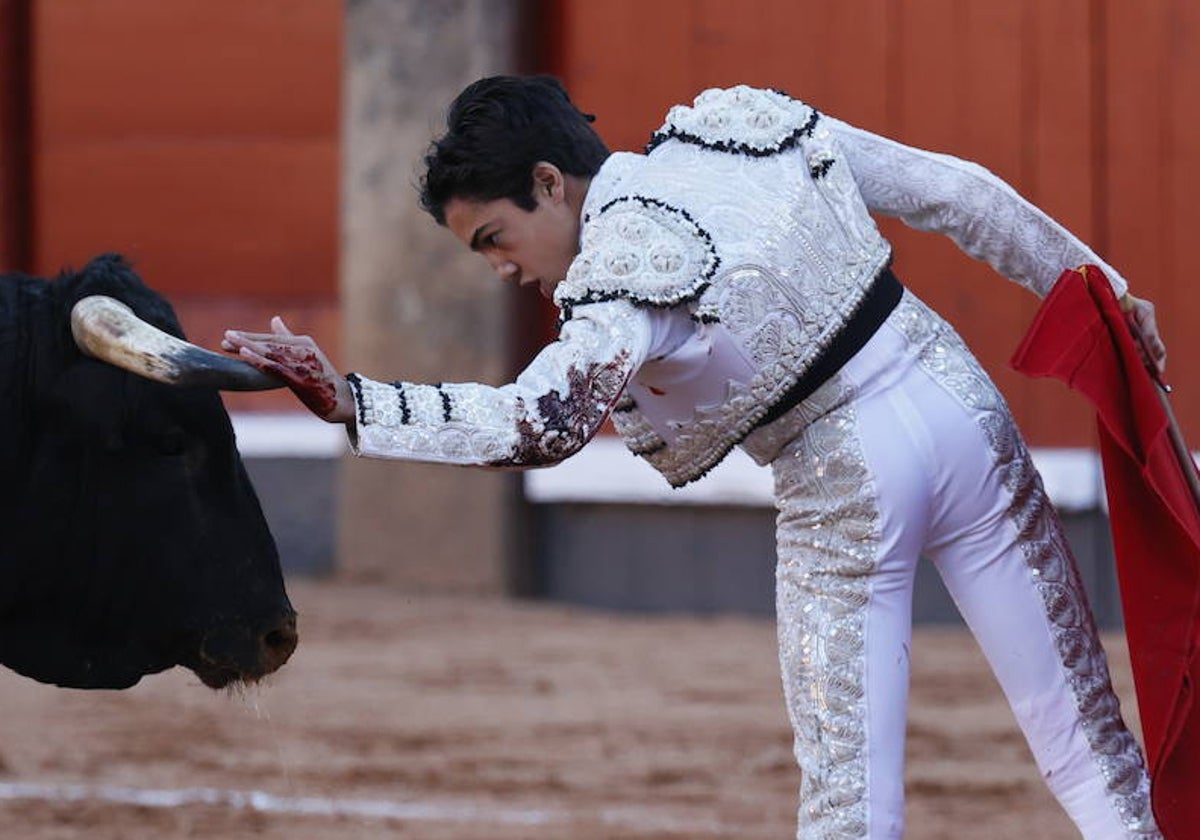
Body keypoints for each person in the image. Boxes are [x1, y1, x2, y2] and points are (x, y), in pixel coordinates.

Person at [223, 76, 1167, 839]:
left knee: (849, 805)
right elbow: (956, 193)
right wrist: (1107, 295)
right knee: (1087, 741)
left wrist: (355, 403)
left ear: (550, 184)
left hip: (844, 482)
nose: (502, 269)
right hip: (963, 410)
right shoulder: (736, 127)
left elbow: (541, 423)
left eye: (494, 238)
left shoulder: (621, 267)